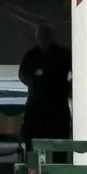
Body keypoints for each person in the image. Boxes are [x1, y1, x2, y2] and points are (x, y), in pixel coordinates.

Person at [18, 24, 72, 159]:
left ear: (52, 37)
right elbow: (22, 75)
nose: (44, 38)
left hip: (57, 109)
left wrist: (67, 87)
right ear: (37, 37)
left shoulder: (63, 54)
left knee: (59, 152)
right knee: (33, 151)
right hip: (36, 109)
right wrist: (34, 84)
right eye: (41, 35)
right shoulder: (31, 56)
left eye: (46, 35)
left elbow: (79, 71)